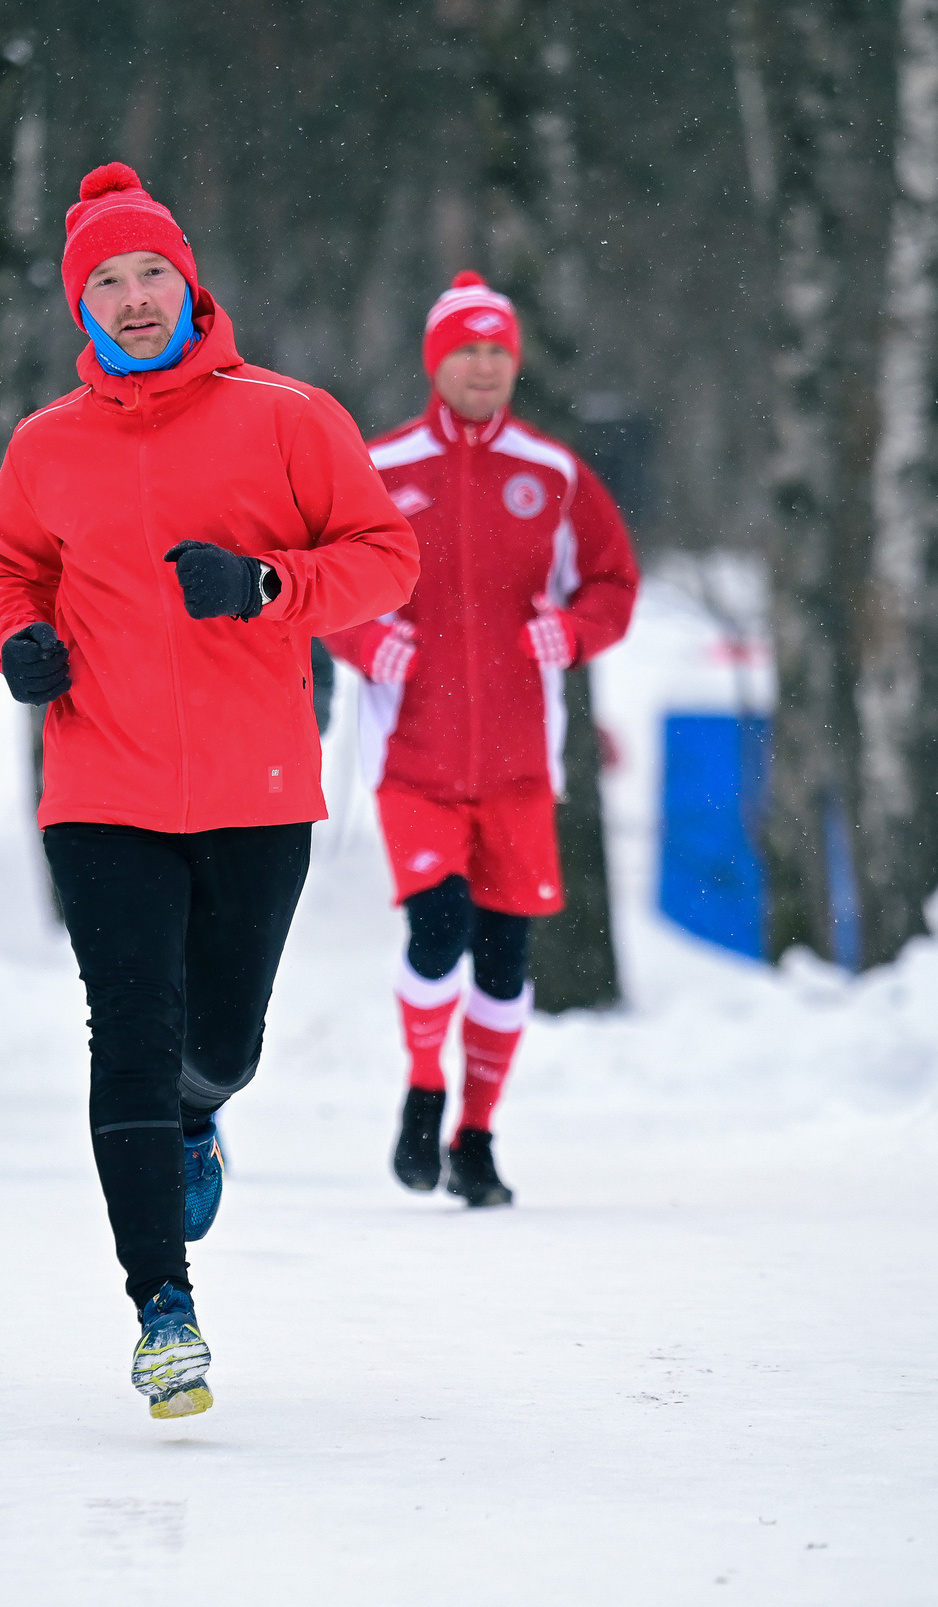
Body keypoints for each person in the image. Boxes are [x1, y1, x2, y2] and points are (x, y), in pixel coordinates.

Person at [0, 163, 418, 1418]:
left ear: (189, 282)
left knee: (219, 1045)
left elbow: (387, 558)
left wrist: (269, 585)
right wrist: (21, 642)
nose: (132, 300)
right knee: (127, 1033)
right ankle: (161, 1312)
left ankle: (195, 1116)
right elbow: (11, 566)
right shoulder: (44, 445)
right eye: (107, 283)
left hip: (255, 786)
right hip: (100, 785)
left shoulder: (286, 417)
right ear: (81, 305)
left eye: (151, 276)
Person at [323, 271, 641, 1208]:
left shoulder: (553, 474)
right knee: (439, 927)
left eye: (498, 350)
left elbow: (615, 584)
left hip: (517, 766)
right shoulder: (382, 466)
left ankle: (476, 1136)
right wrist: (367, 638)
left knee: (505, 957)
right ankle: (424, 1090)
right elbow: (327, 582)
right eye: (466, 349)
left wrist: (573, 633)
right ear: (436, 361)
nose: (484, 365)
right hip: (412, 759)